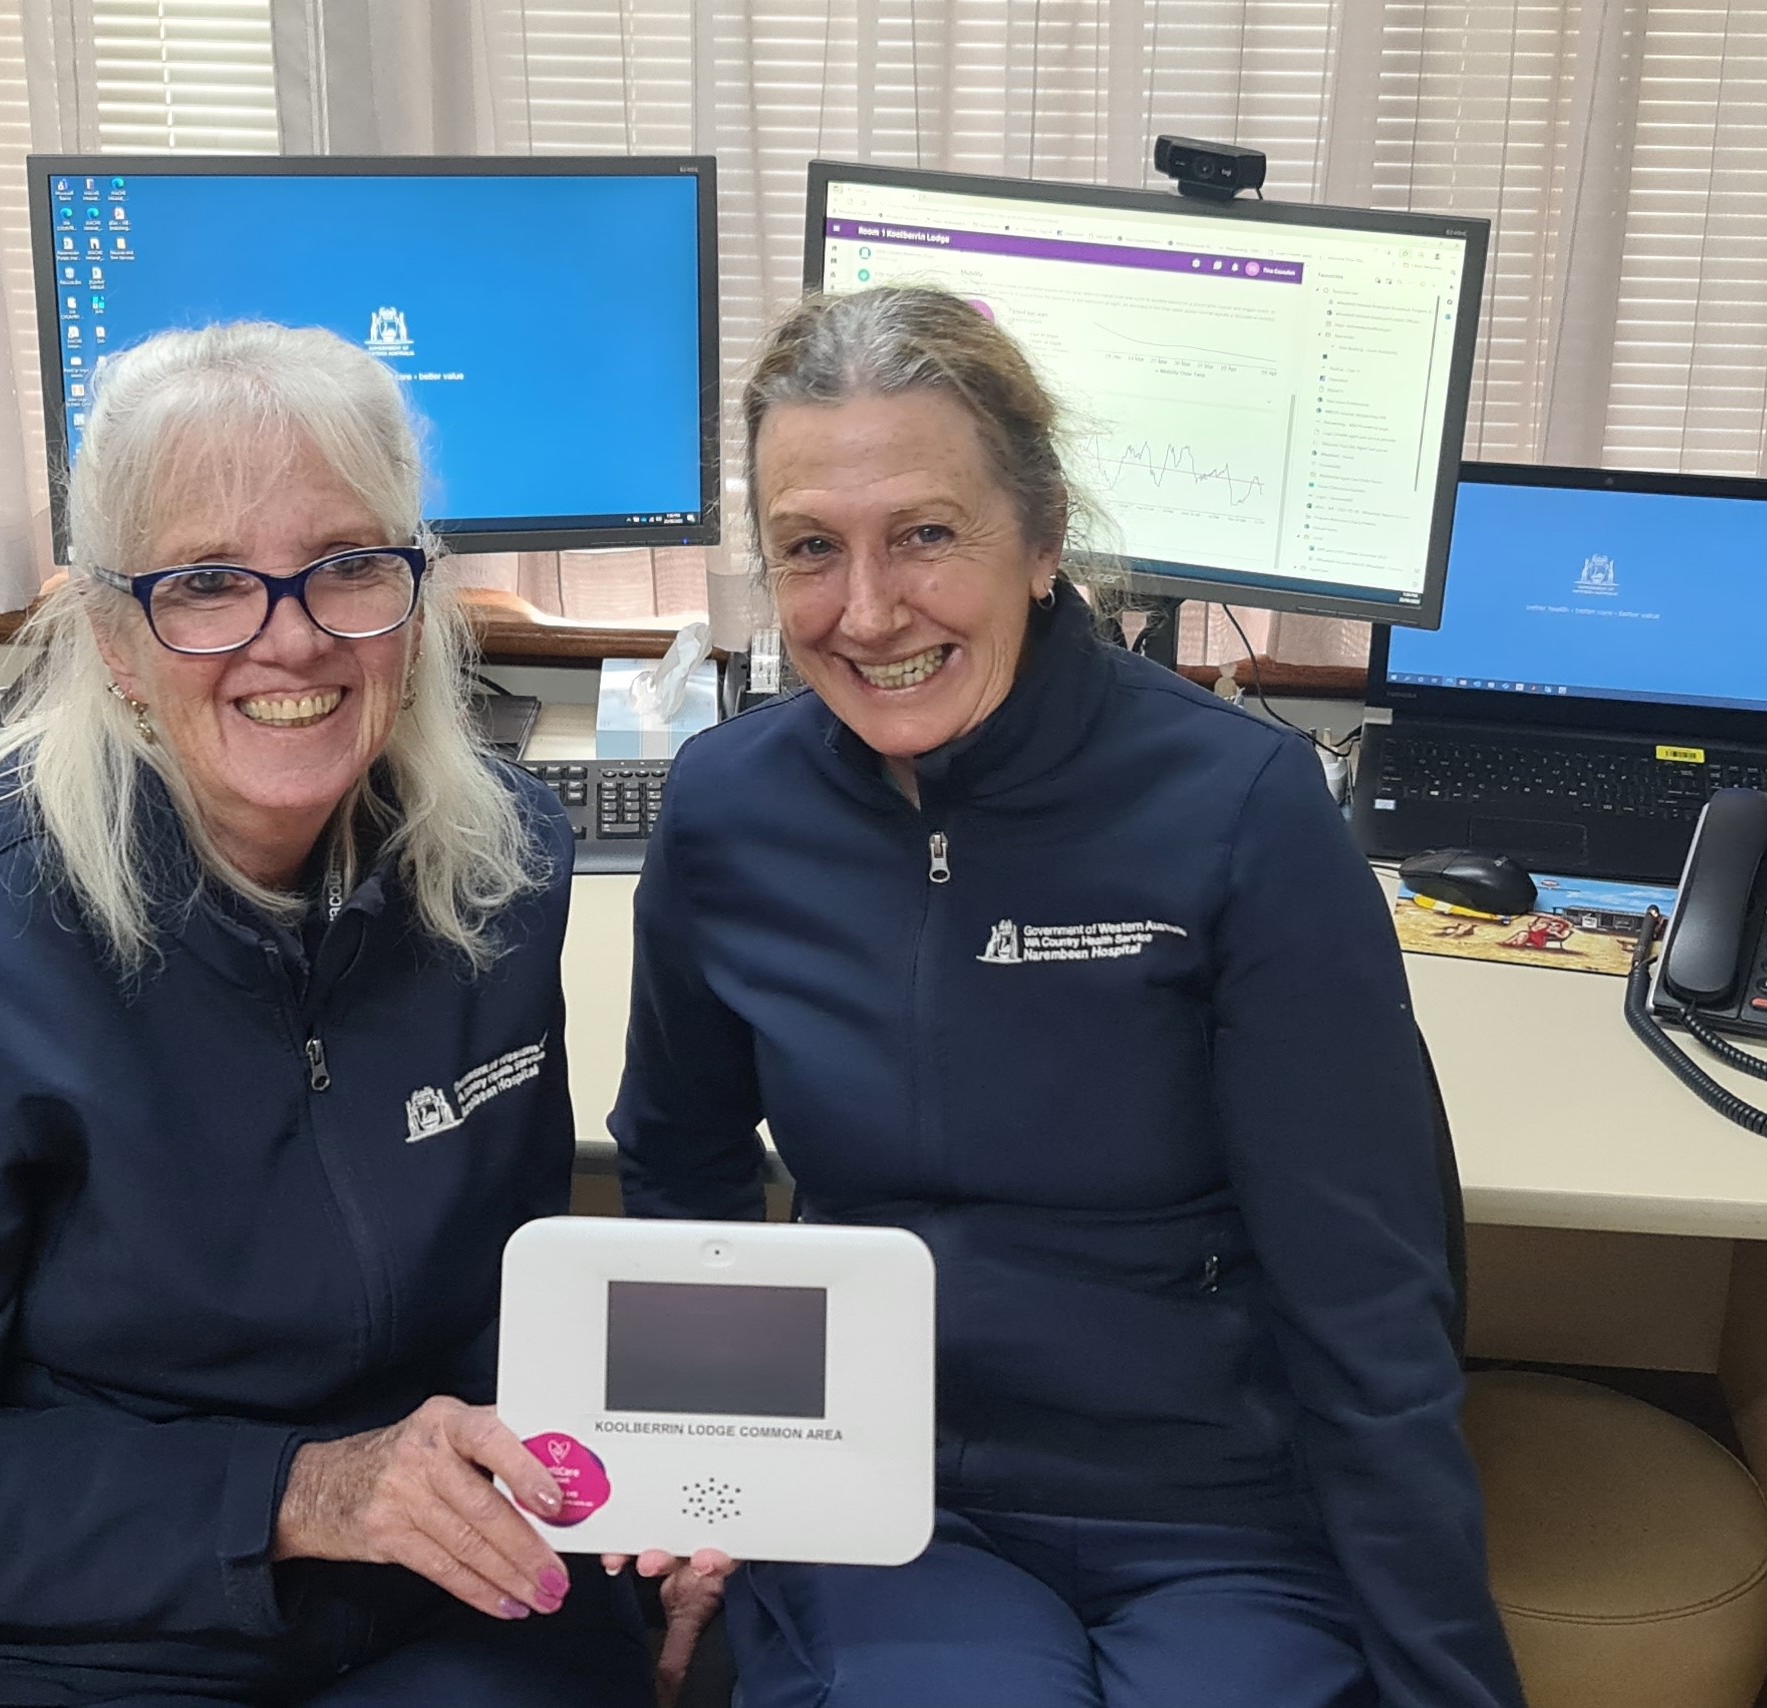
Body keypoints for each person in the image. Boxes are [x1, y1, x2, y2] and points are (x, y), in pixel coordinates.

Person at [610, 288, 1525, 1708]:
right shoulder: (728, 813)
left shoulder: (1239, 808)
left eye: (926, 533)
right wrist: (711, 1494)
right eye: (809, 550)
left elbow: (1367, 1299)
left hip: (1214, 1509)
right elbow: (683, 1172)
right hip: (886, 1502)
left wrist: (1449, 1679)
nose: (866, 612)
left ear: (1041, 540)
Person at [0, 323, 652, 1708]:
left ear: (415, 605)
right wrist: (303, 1494)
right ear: (114, 637)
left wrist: (636, 1483)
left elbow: (509, 1307)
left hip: (418, 1599)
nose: (290, 635)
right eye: (208, 583)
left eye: (351, 566)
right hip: (51, 1632)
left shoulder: (504, 867)